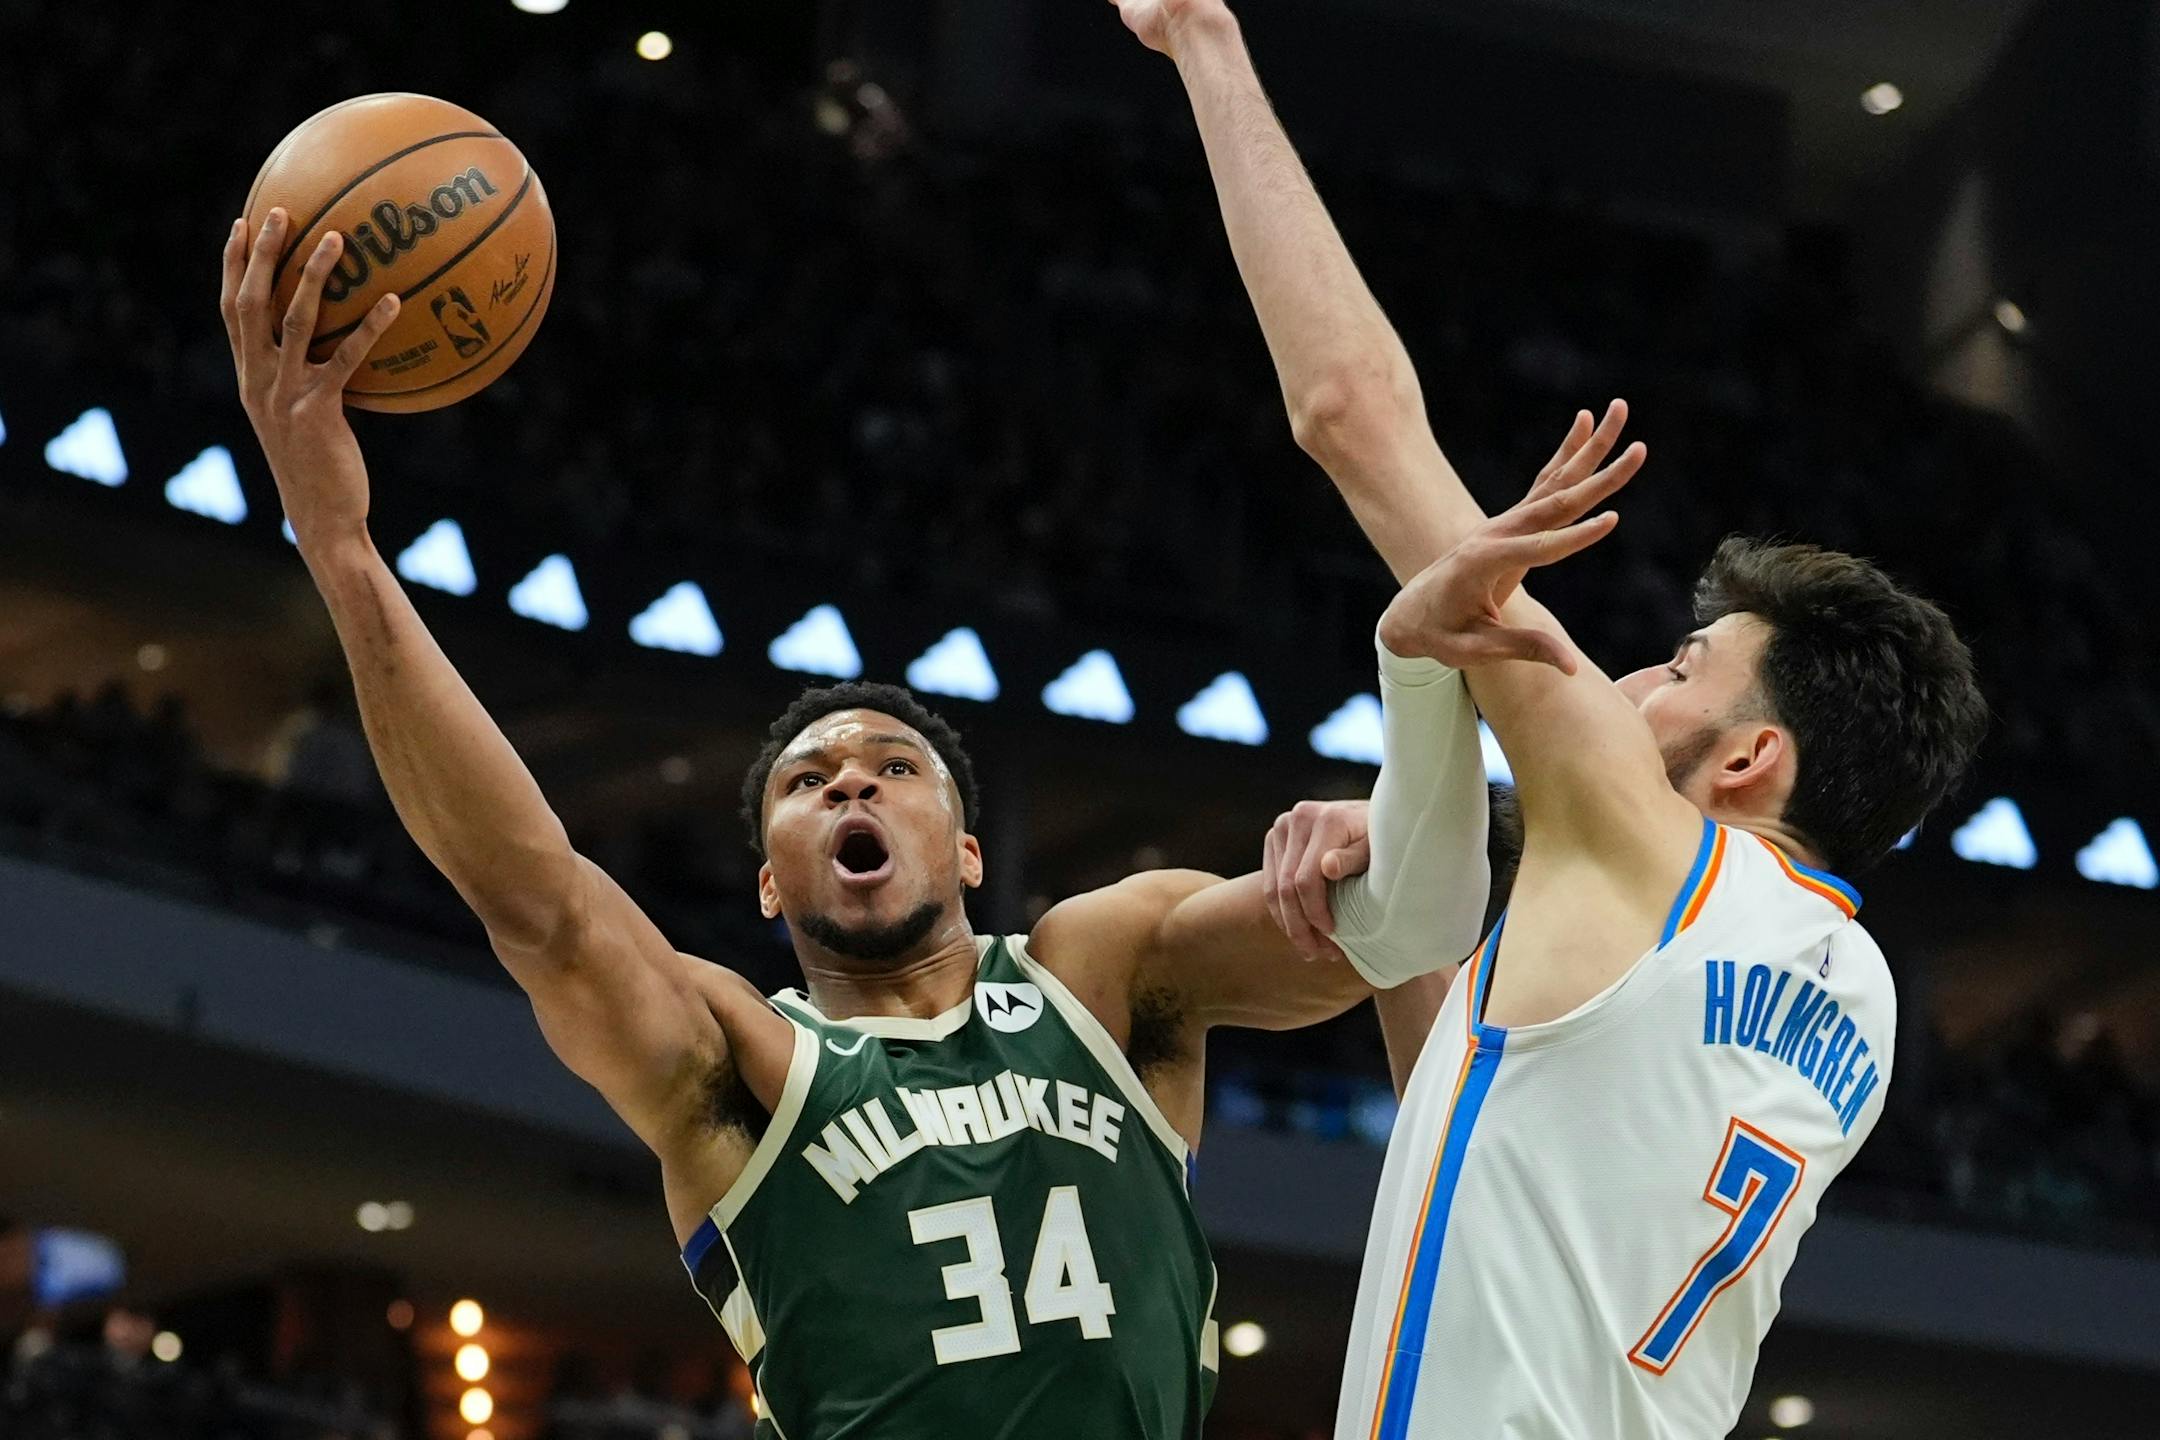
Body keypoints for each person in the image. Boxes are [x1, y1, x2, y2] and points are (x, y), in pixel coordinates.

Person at [217, 207, 1571, 1434]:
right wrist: (341, 549)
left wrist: (1404, 797)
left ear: (969, 850)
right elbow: (536, 899)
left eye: (892, 768)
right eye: (808, 782)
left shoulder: (1107, 971)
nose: (850, 784)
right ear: (769, 883)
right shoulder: (740, 1065)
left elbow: (1397, 929)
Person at [1111, 2, 1989, 1436]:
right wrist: (1422, 831)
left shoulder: (1651, 850)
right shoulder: (1866, 1006)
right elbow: (1480, 1111)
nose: (1629, 683)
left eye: (1682, 670)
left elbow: (1349, 416)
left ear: (1751, 757)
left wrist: (1202, 41)